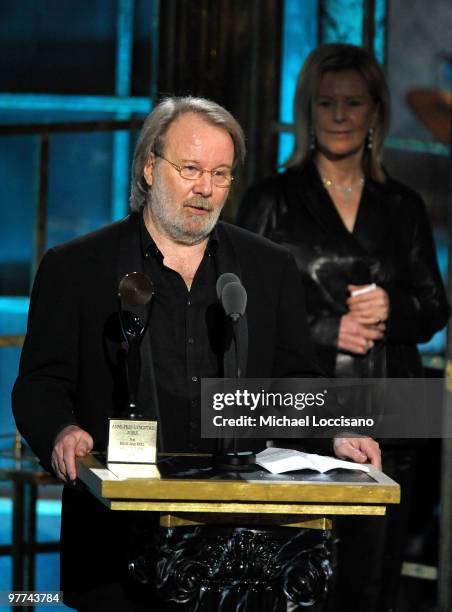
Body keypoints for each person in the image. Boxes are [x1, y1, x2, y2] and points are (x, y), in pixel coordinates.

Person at [12, 96, 380, 611]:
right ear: (148, 166)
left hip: (243, 545)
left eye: (221, 174)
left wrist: (335, 429)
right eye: (190, 169)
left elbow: (295, 377)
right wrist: (62, 431)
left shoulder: (267, 268)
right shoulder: (75, 268)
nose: (205, 189)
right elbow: (39, 384)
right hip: (116, 540)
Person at [236, 44, 449, 612]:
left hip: (394, 411)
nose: (338, 115)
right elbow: (235, 313)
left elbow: (435, 309)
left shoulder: (402, 205)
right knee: (295, 584)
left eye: (352, 102)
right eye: (326, 102)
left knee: (373, 584)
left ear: (375, 111)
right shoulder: (270, 200)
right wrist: (328, 330)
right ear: (308, 110)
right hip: (299, 411)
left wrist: (393, 307)